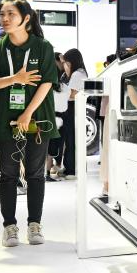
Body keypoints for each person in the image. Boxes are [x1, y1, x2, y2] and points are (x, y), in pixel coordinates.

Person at [0, 0, 59, 247]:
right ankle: (9, 227)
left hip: (38, 119)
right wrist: (15, 78)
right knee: (8, 174)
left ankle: (35, 224)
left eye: (10, 14)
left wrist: (28, 113)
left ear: (26, 18)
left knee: (36, 174)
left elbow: (47, 82)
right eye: (1, 14)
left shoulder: (43, 47)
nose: (4, 19)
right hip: (7, 120)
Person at [56, 48, 87, 180]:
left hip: (73, 108)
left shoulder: (77, 74)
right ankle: (69, 166)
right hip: (71, 109)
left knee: (71, 139)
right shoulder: (76, 73)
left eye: (66, 63)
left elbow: (72, 94)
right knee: (70, 139)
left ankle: (72, 169)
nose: (64, 66)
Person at [46, 53, 69, 182]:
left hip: (48, 117)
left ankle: (47, 172)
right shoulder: (64, 87)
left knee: (47, 146)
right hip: (60, 119)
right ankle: (50, 171)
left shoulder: (46, 87)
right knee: (55, 146)